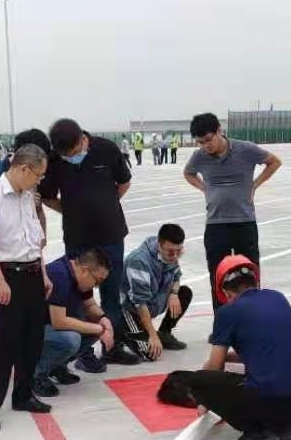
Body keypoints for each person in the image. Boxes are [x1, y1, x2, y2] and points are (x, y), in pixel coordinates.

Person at [185, 255, 291, 440]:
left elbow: (215, 366)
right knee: (264, 379)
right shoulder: (278, 298)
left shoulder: (227, 312)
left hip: (270, 399)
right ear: (255, 282)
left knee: (198, 380)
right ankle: (282, 426)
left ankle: (257, 432)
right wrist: (231, 357)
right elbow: (268, 348)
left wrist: (205, 396)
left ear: (227, 293)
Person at [39, 118, 140, 369]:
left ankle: (112, 347)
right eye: (66, 155)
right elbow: (47, 196)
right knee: (78, 295)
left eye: (74, 151)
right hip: (78, 237)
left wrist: (106, 205)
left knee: (111, 292)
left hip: (111, 234)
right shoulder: (55, 160)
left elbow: (124, 181)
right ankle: (84, 354)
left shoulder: (106, 149)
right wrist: (70, 211)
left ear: (82, 139)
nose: (72, 157)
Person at [0, 144, 54, 431]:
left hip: (32, 273)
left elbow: (35, 240)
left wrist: (43, 274)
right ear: (24, 168)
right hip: (7, 275)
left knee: (32, 340)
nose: (39, 181)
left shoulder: (28, 196)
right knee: (0, 345)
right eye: (38, 175)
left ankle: (23, 394)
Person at [183, 111, 282, 311]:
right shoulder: (200, 156)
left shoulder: (245, 149)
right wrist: (204, 188)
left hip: (244, 222)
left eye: (208, 139)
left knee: (250, 276)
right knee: (218, 277)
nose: (206, 146)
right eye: (200, 142)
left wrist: (255, 184)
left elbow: (274, 162)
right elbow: (188, 173)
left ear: (219, 130)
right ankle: (222, 320)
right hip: (215, 225)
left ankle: (252, 317)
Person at [0, 128, 51, 355]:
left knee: (24, 315)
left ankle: (17, 358)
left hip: (27, 258)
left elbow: (36, 216)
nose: (38, 178)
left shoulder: (31, 176)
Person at [32, 248, 116, 399]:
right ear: (84, 270)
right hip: (28, 330)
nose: (97, 286)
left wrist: (104, 320)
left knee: (95, 328)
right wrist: (99, 328)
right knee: (71, 339)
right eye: (97, 281)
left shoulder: (80, 276)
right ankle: (36, 374)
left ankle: (55, 366)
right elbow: (59, 322)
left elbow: (90, 306)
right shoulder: (60, 275)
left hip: (46, 326)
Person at [119, 223, 193, 361]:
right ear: (159, 245)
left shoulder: (169, 254)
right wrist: (152, 335)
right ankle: (123, 334)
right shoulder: (139, 262)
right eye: (171, 252)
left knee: (184, 293)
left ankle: (164, 333)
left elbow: (176, 276)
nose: (175, 256)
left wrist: (174, 294)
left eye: (179, 251)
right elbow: (140, 303)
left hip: (152, 302)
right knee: (150, 354)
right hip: (132, 309)